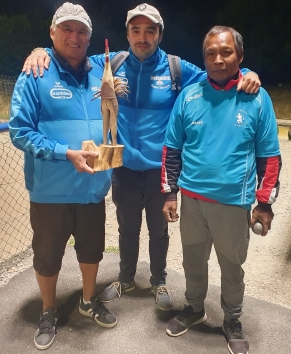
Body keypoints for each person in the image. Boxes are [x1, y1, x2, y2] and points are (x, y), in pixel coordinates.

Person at [22, 3, 261, 312]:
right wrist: (38, 50)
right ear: (128, 34)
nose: (143, 37)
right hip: (123, 166)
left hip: (160, 170)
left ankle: (159, 280)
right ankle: (126, 278)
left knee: (159, 229)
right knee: (127, 226)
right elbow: (69, 55)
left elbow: (217, 75)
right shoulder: (110, 63)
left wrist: (248, 73)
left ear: (159, 34)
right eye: (136, 31)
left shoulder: (177, 69)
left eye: (150, 31)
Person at [161, 25, 281, 354]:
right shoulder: (189, 95)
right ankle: (195, 309)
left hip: (233, 203)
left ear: (239, 56)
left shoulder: (256, 96)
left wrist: (264, 203)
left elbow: (269, 156)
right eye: (211, 53)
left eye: (226, 52)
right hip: (194, 202)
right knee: (193, 262)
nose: (217, 59)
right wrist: (171, 193)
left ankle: (232, 319)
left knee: (231, 267)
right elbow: (172, 149)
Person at [9, 3, 117, 351]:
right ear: (53, 33)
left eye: (81, 31)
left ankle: (87, 301)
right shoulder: (35, 73)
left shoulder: (102, 67)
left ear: (90, 38)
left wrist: (244, 69)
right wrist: (64, 153)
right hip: (50, 191)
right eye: (66, 29)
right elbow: (19, 131)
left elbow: (146, 52)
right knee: (47, 255)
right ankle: (48, 309)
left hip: (92, 188)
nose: (74, 37)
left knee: (91, 251)